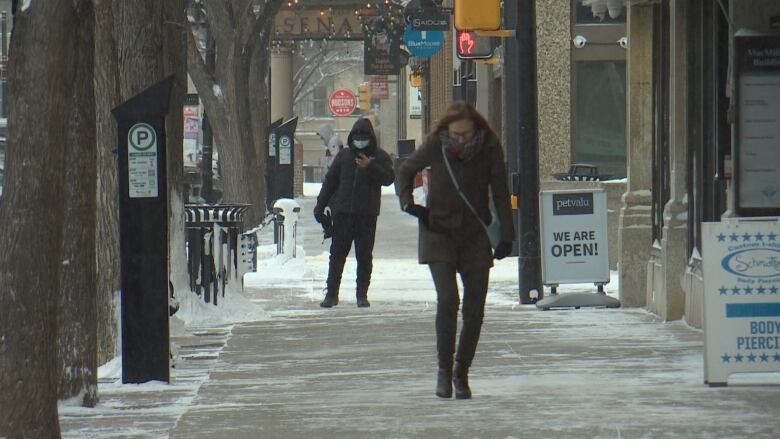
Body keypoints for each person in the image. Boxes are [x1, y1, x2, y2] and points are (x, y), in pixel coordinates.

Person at [396, 101, 514, 400]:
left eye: (466, 134)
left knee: (474, 310)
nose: (461, 140)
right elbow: (406, 169)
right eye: (456, 134)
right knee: (448, 300)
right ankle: (444, 372)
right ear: (447, 129)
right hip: (438, 232)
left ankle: (462, 372)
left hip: (475, 235)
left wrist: (506, 236)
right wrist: (410, 204)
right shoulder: (437, 144)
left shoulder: (489, 147)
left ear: (476, 128)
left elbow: (500, 191)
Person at [313, 118, 395, 308]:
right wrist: (320, 205)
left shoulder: (380, 156)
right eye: (357, 138)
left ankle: (362, 294)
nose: (360, 141)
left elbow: (389, 178)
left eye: (364, 138)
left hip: (367, 214)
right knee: (337, 255)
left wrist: (371, 166)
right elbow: (331, 181)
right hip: (343, 213)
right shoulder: (344, 156)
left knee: (364, 256)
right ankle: (332, 294)